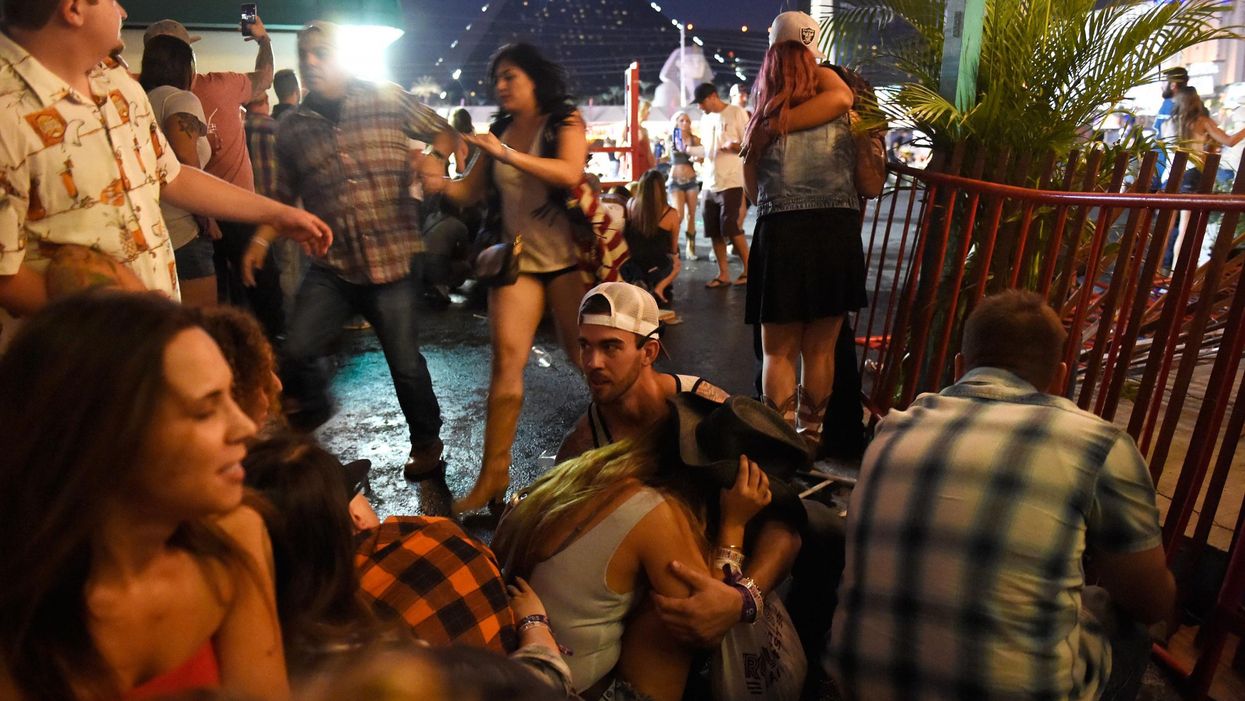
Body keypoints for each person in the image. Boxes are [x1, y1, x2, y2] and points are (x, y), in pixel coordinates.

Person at [828, 290, 1177, 701]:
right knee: (1125, 621)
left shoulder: (893, 427)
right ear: (1059, 378)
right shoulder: (1097, 443)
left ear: (960, 366)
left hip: (857, 683)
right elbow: (1150, 601)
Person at [0, 291, 285, 700]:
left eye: (230, 397)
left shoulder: (236, 540)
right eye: (205, 411)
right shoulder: (18, 616)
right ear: (103, 435)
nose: (244, 428)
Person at [0, 0, 331, 324]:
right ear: (73, 9)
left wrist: (277, 213)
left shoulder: (117, 83)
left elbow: (172, 177)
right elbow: (5, 277)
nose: (123, 11)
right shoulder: (7, 109)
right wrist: (111, 323)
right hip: (78, 359)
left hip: (149, 336)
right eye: (112, 2)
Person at [248, 21, 458, 481]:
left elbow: (445, 132)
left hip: (393, 262)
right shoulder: (293, 129)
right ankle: (313, 420)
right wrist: (262, 239)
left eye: (323, 54)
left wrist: (435, 160)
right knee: (297, 349)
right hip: (334, 265)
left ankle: (426, 442)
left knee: (405, 364)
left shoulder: (385, 97)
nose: (314, 64)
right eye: (306, 57)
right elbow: (282, 199)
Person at [242, 432, 574, 693]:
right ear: (356, 517)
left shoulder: (279, 645)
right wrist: (534, 624)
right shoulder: (438, 535)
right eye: (359, 491)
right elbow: (539, 687)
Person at [494, 420, 774, 700]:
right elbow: (706, 622)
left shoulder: (593, 470)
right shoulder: (654, 511)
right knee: (671, 623)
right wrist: (734, 528)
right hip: (560, 689)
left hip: (510, 661)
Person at [433, 43, 590, 514]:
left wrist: (506, 153)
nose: (500, 85)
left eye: (510, 76)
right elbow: (466, 191)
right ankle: (492, 476)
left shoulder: (564, 121)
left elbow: (569, 172)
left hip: (566, 261)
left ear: (535, 78)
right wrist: (434, 169)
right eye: (497, 77)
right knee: (506, 364)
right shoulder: (499, 130)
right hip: (516, 265)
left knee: (588, 360)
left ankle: (639, 446)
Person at [740, 14, 862, 449]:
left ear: (772, 54)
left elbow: (754, 192)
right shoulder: (836, 95)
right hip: (835, 230)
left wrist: (771, 130)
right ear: (814, 50)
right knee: (822, 351)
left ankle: (779, 446)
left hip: (782, 235)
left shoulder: (762, 118)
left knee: (777, 352)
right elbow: (844, 98)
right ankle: (809, 439)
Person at [145, 18, 286, 340]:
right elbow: (264, 80)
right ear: (184, 58)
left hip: (173, 223)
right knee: (259, 298)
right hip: (219, 212)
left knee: (214, 305)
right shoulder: (212, 87)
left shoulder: (135, 96)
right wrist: (264, 41)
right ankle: (271, 369)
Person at [140, 34, 217, 308]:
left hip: (152, 227)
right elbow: (184, 154)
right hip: (184, 228)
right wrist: (207, 216)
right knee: (201, 322)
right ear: (186, 68)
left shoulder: (141, 100)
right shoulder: (182, 98)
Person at [1164, 85, 1245, 270]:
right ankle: (1174, 274)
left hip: (1169, 174)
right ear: (1196, 101)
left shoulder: (1168, 122)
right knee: (1184, 228)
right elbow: (1230, 141)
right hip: (1191, 174)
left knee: (1165, 228)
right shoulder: (1201, 121)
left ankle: (1153, 273)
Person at [691, 83, 750, 287]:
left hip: (732, 180)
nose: (700, 107)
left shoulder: (736, 113)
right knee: (713, 229)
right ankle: (723, 273)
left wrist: (733, 146)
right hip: (709, 180)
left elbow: (748, 145)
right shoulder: (705, 119)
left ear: (713, 96)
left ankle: (749, 269)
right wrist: (693, 152)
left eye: (702, 102)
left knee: (731, 227)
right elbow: (708, 150)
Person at [621, 170, 680, 302]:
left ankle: (639, 281)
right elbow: (673, 248)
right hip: (657, 266)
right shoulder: (671, 214)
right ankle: (659, 288)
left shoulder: (630, 204)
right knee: (676, 262)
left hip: (632, 264)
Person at [665, 110, 702, 260]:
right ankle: (672, 247)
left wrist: (696, 157)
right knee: (678, 215)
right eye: (681, 120)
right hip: (675, 181)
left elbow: (701, 158)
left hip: (691, 180)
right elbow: (669, 154)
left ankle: (690, 248)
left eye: (687, 120)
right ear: (676, 122)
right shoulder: (672, 138)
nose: (685, 123)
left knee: (691, 215)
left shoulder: (695, 139)